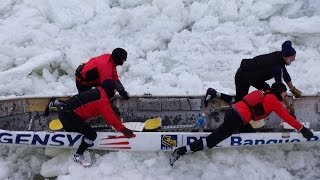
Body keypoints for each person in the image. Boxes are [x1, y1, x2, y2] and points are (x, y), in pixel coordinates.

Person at [169, 82, 313, 166]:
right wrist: (302, 129)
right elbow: (286, 117)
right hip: (237, 119)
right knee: (211, 141)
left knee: (246, 124)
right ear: (278, 93)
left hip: (234, 111)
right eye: (284, 93)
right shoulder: (273, 101)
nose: (285, 96)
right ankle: (180, 151)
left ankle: (217, 96)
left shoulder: (263, 93)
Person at [47, 86, 135, 166]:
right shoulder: (103, 103)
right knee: (91, 135)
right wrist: (124, 130)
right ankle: (78, 155)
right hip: (69, 117)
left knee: (72, 127)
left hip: (64, 110)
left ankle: (56, 102)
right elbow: (111, 118)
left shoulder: (99, 90)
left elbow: (109, 109)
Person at [234, 41, 302, 103]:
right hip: (243, 76)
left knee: (267, 90)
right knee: (240, 102)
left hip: (254, 77)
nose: (294, 60)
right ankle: (227, 100)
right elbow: (280, 88)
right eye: (293, 57)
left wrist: (293, 89)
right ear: (287, 57)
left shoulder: (280, 56)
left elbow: (286, 76)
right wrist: (288, 106)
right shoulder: (277, 66)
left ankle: (261, 107)